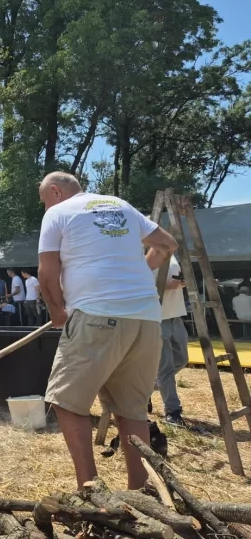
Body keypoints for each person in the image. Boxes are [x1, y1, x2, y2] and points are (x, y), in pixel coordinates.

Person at [37, 171, 178, 490]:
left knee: (66, 401)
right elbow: (167, 244)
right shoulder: (121, 206)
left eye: (44, 201)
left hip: (97, 316)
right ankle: (140, 493)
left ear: (55, 192)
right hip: (145, 319)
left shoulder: (58, 213)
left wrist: (58, 312)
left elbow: (47, 273)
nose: (45, 207)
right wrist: (140, 269)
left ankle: (90, 489)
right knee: (132, 410)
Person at [154, 254, 189, 426]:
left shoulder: (170, 252)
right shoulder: (139, 249)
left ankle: (145, 390)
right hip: (157, 316)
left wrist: (183, 281)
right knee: (165, 367)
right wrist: (162, 285)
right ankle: (173, 412)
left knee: (182, 359)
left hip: (175, 313)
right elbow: (133, 282)